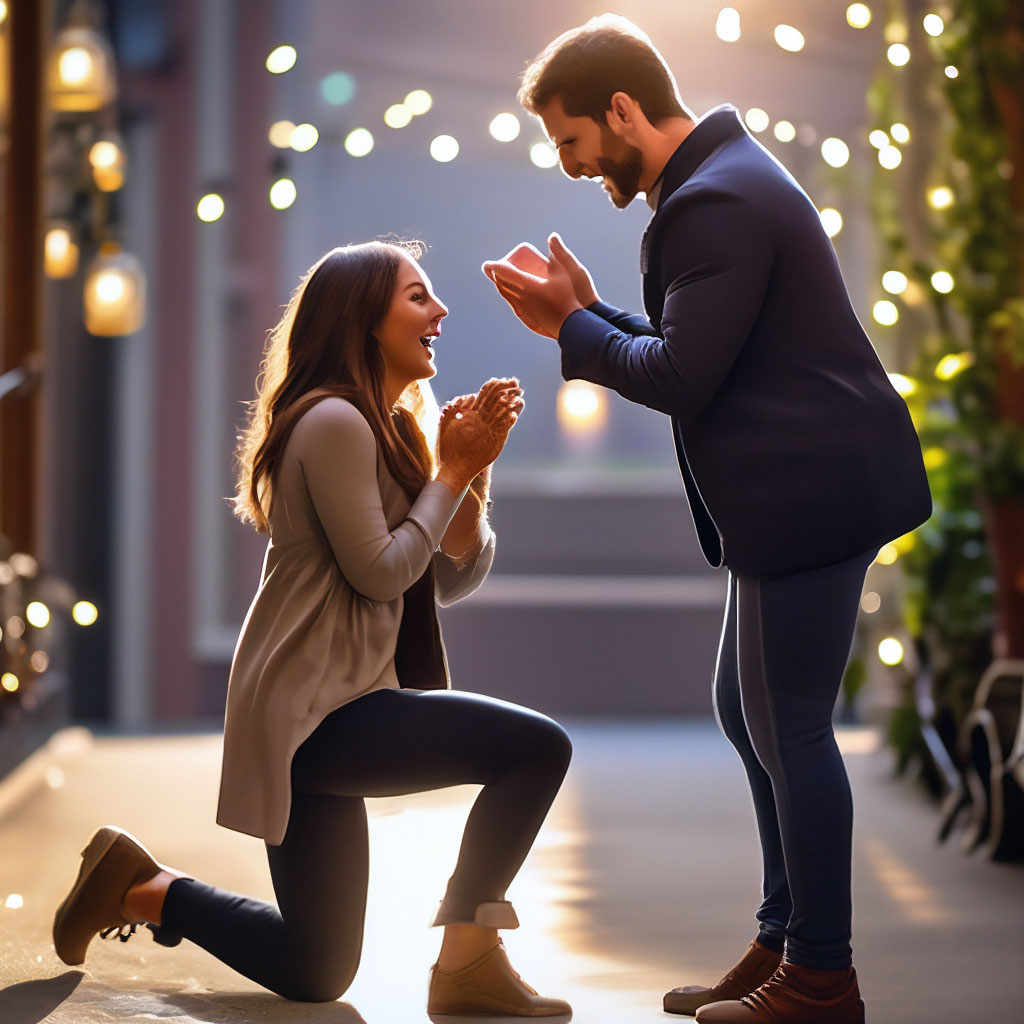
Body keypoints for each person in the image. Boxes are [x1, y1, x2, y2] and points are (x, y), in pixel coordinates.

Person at [482, 15, 931, 1024]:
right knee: (747, 709)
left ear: (624, 110)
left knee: (793, 728)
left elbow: (683, 377)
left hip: (810, 492)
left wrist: (573, 326)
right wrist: (596, 318)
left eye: (572, 141)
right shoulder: (721, 180)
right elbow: (711, 348)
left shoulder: (711, 203)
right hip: (801, 487)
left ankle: (820, 977)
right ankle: (782, 940)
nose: (570, 166)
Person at [52, 240, 573, 1018]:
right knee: (537, 748)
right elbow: (381, 572)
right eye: (418, 296)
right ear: (364, 319)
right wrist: (451, 471)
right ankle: (468, 958)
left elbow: (449, 578)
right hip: (311, 709)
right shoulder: (333, 420)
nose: (440, 313)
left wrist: (471, 470)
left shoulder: (391, 424)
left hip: (345, 697)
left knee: (315, 969)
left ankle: (142, 887)